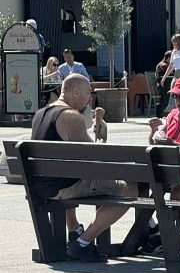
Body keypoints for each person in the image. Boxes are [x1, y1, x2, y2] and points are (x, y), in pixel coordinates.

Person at [29, 74, 137, 262]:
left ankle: (74, 229)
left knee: (72, 171)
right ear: (76, 92)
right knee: (130, 190)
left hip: (41, 186)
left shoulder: (40, 114)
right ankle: (83, 243)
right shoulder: (71, 117)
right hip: (64, 187)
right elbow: (94, 160)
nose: (90, 99)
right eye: (88, 93)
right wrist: (101, 137)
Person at [152, 75, 180, 200]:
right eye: (174, 96)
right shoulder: (173, 114)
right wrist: (154, 132)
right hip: (166, 168)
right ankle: (146, 213)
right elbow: (155, 140)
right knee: (140, 183)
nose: (177, 101)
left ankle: (171, 214)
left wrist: (175, 145)